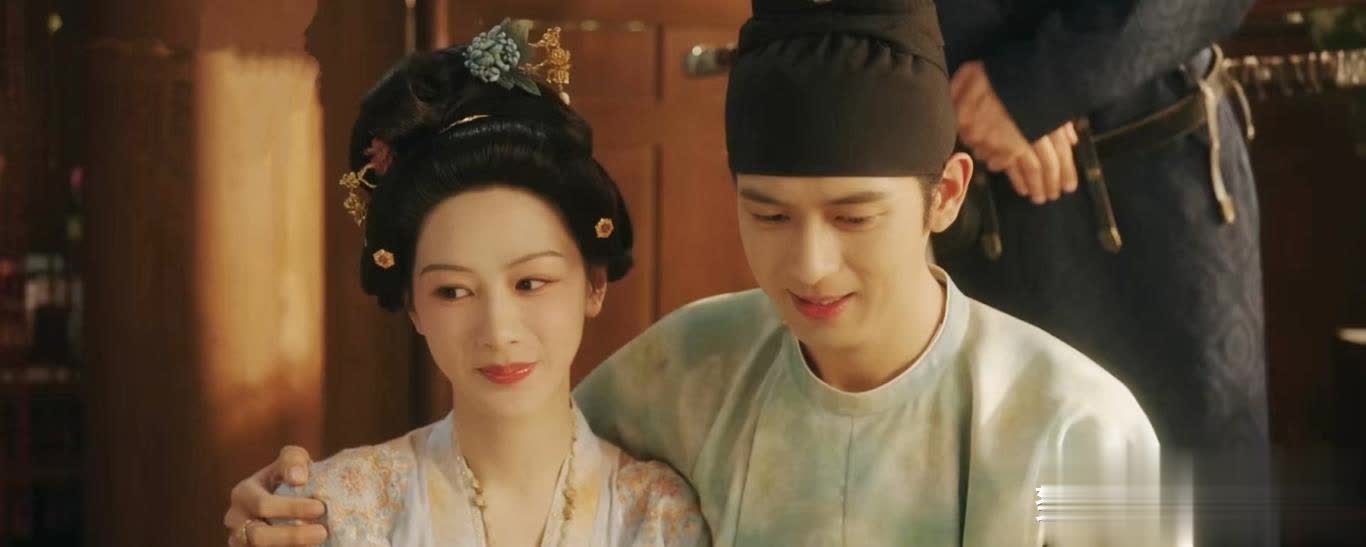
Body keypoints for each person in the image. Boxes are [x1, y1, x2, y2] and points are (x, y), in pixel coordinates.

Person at [225, 3, 1164, 545]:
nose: (808, 264)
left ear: (945, 193)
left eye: (853, 216)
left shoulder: (1078, 426)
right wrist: (297, 503)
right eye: (769, 214)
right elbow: (510, 436)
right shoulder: (691, 365)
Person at [223, 20, 709, 547]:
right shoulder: (340, 506)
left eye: (530, 283)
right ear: (412, 304)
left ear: (594, 283)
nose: (498, 331)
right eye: (453, 291)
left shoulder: (656, 517)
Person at [935, 1, 1274, 543]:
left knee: (1201, 506)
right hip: (968, 186)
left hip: (1157, 192)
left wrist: (1033, 85)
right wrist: (960, 72)